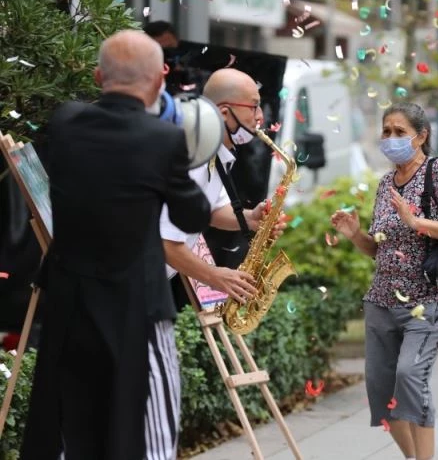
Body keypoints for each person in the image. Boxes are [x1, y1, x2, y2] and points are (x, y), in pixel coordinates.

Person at [20, 30, 211, 460]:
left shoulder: (65, 124)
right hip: (135, 303)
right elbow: (191, 216)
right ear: (159, 82)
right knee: (150, 429)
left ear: (97, 75)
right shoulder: (162, 140)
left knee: (71, 422)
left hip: (69, 299)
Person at [330, 103, 438, 460]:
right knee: (381, 392)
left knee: (410, 376)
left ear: (421, 136)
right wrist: (354, 234)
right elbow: (379, 250)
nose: (391, 138)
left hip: (429, 300)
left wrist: (417, 222)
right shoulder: (385, 185)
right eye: (386, 131)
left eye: (399, 132)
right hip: (381, 302)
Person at [160, 68, 286, 310]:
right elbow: (165, 242)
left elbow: (212, 211)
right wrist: (215, 276)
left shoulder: (213, 152)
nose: (260, 117)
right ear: (224, 113)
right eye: (253, 107)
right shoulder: (192, 156)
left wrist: (251, 219)